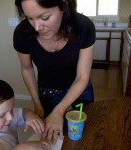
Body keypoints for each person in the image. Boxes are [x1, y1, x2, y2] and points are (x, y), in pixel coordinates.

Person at [13, 0, 95, 144]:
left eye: (45, 18)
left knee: (85, 134)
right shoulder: (22, 34)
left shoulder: (83, 27)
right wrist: (37, 103)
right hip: (48, 92)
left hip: (80, 89)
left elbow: (82, 76)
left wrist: (59, 111)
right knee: (51, 138)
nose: (37, 27)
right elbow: (27, 68)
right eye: (30, 18)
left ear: (63, 5)